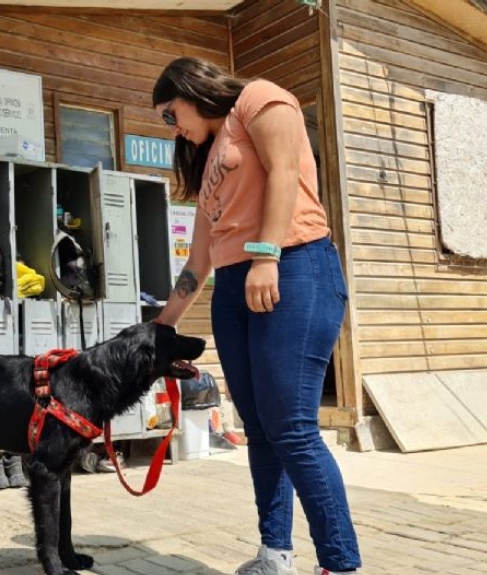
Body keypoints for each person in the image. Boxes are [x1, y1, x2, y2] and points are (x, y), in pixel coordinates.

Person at [151, 57, 361, 575]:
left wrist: (266, 255)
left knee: (291, 427)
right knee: (261, 430)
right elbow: (198, 261)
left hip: (293, 266)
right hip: (234, 286)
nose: (172, 128)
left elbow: (286, 172)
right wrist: (161, 325)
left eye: (170, 113)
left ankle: (340, 563)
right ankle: (275, 554)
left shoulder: (260, 100)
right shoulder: (206, 168)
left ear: (191, 89)